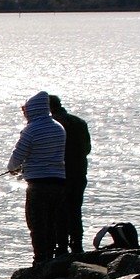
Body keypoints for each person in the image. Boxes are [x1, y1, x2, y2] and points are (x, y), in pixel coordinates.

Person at [6, 91, 67, 266]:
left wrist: (12, 168)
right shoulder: (58, 127)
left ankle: (40, 259)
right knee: (52, 220)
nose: (25, 114)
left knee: (37, 222)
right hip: (58, 182)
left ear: (34, 109)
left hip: (38, 184)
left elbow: (18, 154)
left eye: (27, 110)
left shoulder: (31, 130)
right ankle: (52, 255)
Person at [48, 95, 92, 255]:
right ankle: (77, 244)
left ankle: (61, 246)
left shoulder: (53, 125)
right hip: (79, 171)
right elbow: (87, 149)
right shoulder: (79, 122)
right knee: (75, 209)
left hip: (60, 174)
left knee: (59, 211)